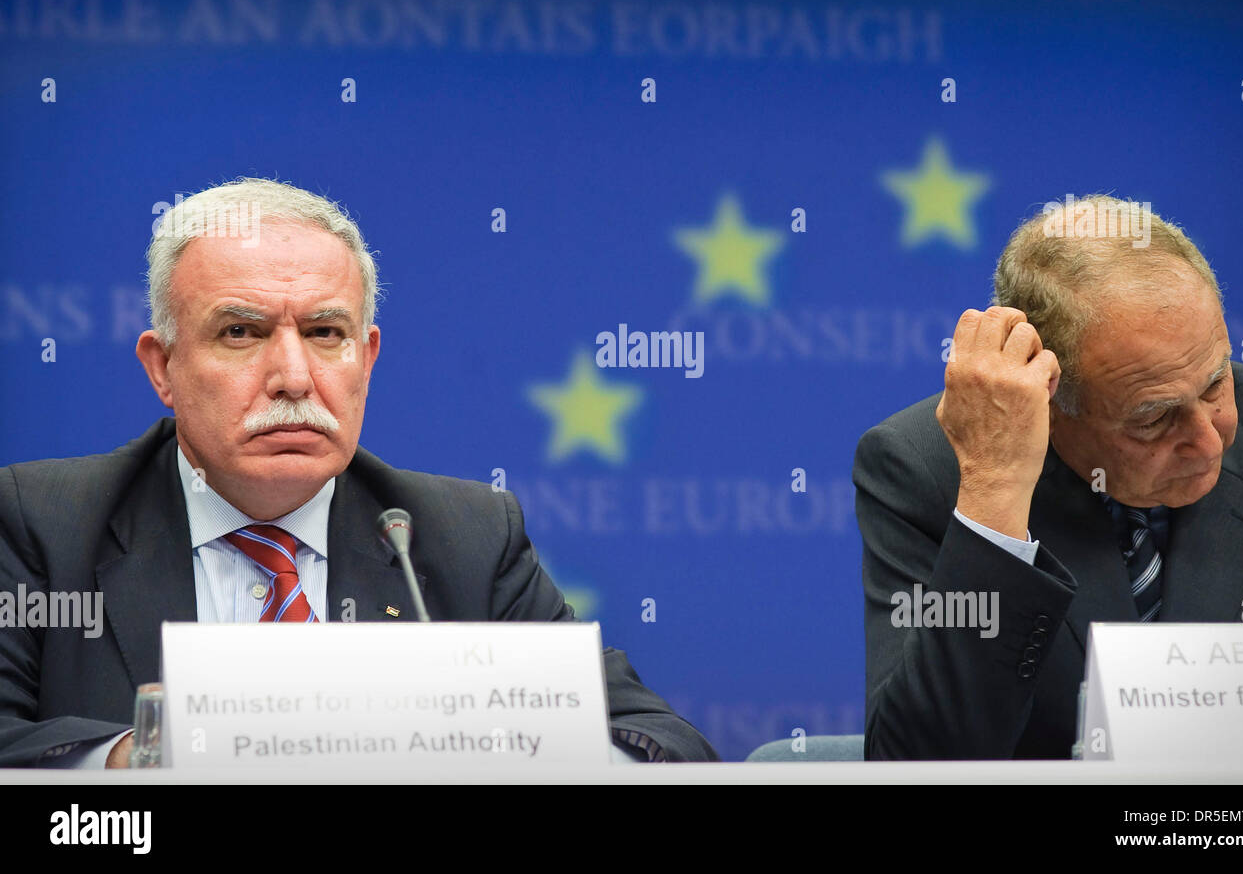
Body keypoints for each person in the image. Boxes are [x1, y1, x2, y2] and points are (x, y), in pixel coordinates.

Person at [0, 177, 717, 767]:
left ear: (366, 358)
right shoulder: (42, 524)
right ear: (164, 367)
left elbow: (660, 740)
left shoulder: (458, 537)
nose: (292, 376)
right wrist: (145, 758)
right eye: (241, 333)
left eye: (324, 334)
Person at [853, 195, 1243, 758]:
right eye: (1154, 418)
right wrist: (995, 495)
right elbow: (918, 764)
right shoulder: (925, 470)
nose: (1210, 440)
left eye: (1215, 385)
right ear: (1050, 400)